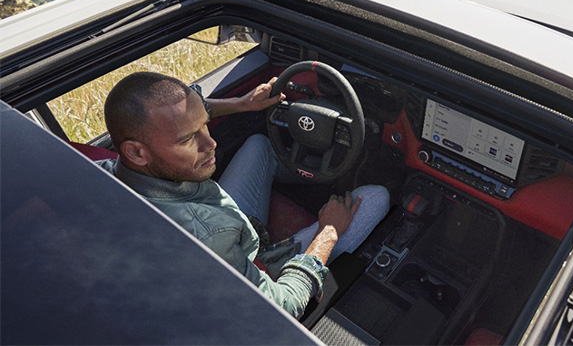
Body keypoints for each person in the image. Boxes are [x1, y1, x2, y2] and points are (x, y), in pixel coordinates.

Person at [98, 71, 389, 318]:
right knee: (377, 197)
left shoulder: (99, 169)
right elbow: (283, 306)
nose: (210, 143)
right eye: (189, 139)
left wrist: (242, 104)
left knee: (259, 144)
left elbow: (188, 112)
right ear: (136, 152)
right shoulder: (207, 234)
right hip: (257, 263)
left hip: (222, 218)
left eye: (204, 125)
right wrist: (327, 232)